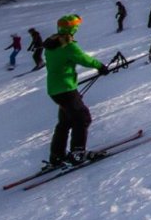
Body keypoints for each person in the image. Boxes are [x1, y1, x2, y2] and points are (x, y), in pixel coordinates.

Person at [43, 14, 109, 167]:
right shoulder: (67, 45)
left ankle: (57, 156)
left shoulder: (52, 44)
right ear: (73, 28)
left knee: (65, 122)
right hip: (66, 89)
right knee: (82, 118)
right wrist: (100, 66)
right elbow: (83, 58)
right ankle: (77, 153)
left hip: (55, 89)